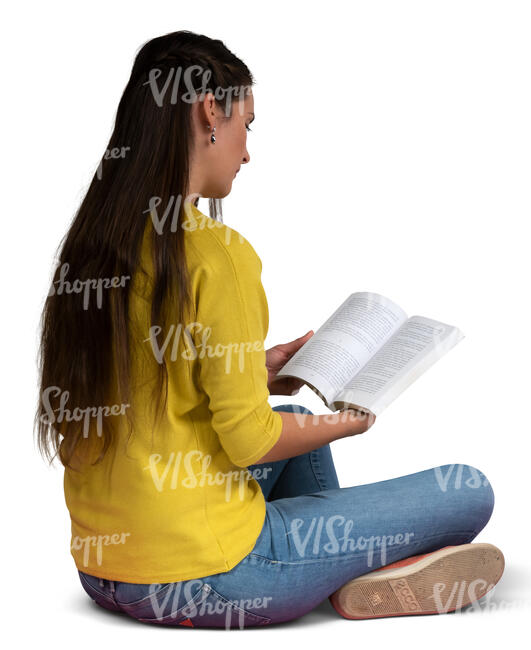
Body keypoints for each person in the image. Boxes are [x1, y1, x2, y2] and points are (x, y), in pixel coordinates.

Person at [35, 30, 504, 629]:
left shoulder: (94, 247)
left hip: (106, 572)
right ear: (211, 111)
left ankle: (341, 561)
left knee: (293, 421)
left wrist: (256, 368)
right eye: (247, 125)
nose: (246, 151)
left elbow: (148, 375)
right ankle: (343, 570)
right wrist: (351, 419)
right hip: (216, 576)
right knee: (470, 489)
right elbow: (249, 445)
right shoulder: (216, 255)